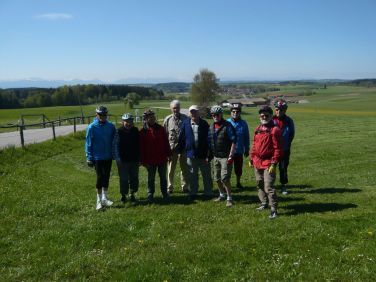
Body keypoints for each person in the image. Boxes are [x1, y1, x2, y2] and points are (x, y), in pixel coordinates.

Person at [250, 105, 283, 219]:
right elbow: (254, 145)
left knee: (268, 186)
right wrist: (251, 157)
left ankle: (273, 209)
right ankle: (263, 203)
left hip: (269, 162)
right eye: (262, 115)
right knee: (259, 183)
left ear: (270, 116)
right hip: (257, 161)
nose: (264, 117)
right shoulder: (258, 128)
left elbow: (278, 148)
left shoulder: (275, 130)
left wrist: (274, 163)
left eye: (266, 115)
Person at [177, 105, 213, 199]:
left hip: (203, 154)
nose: (193, 113)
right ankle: (193, 193)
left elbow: (209, 138)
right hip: (191, 154)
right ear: (189, 113)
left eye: (195, 111)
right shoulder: (185, 123)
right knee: (192, 175)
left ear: (198, 112)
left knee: (206, 175)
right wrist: (179, 151)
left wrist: (210, 153)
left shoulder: (204, 123)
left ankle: (208, 192)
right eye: (191, 112)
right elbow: (181, 138)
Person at [85, 106, 116, 210]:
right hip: (97, 157)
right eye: (100, 115)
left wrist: (115, 153)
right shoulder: (92, 127)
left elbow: (115, 141)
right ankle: (98, 201)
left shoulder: (111, 126)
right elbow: (88, 143)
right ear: (96, 115)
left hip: (108, 156)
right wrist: (89, 157)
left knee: (106, 177)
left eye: (104, 115)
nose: (103, 117)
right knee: (99, 178)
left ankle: (105, 198)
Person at [140, 109, 172, 203]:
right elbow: (141, 148)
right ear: (146, 119)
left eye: (153, 117)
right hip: (150, 160)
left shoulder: (161, 129)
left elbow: (166, 142)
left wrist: (169, 154)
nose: (153, 119)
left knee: (163, 177)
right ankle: (150, 194)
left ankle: (164, 193)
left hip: (162, 158)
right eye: (150, 117)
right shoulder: (143, 131)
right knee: (151, 178)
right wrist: (143, 161)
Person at [208, 105, 237, 207]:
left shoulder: (227, 126)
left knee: (225, 178)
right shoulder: (211, 126)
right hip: (216, 156)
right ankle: (222, 195)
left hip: (225, 156)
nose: (215, 116)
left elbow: (234, 141)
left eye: (217, 114)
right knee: (216, 178)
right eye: (213, 115)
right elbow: (210, 142)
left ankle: (230, 198)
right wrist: (209, 156)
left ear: (221, 114)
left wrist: (231, 155)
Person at [163, 100, 189, 194]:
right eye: (174, 108)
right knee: (170, 169)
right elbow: (164, 135)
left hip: (183, 148)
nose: (176, 109)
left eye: (177, 107)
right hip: (171, 148)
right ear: (171, 109)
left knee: (184, 168)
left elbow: (188, 133)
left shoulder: (186, 118)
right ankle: (169, 188)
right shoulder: (167, 119)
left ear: (179, 108)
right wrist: (166, 150)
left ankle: (185, 187)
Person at [114, 113, 140, 204]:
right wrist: (117, 158)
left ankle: (132, 194)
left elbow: (139, 145)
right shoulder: (119, 131)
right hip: (123, 161)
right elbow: (115, 145)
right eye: (126, 121)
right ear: (122, 122)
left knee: (134, 178)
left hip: (134, 160)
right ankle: (123, 195)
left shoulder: (136, 130)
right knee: (124, 179)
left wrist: (139, 158)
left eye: (130, 121)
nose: (128, 123)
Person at [273, 99, 295, 195]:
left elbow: (291, 134)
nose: (279, 111)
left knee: (283, 168)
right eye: (277, 109)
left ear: (285, 110)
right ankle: (270, 185)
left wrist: (286, 144)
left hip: (284, 149)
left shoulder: (289, 121)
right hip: (272, 150)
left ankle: (283, 185)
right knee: (270, 167)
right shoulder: (271, 119)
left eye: (281, 110)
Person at [227, 103, 250, 189]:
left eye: (237, 111)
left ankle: (238, 182)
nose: (235, 113)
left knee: (238, 168)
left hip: (239, 150)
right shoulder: (227, 122)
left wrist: (247, 148)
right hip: (228, 151)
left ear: (240, 113)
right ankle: (227, 184)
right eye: (233, 111)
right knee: (227, 169)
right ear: (231, 112)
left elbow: (246, 137)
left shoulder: (244, 123)